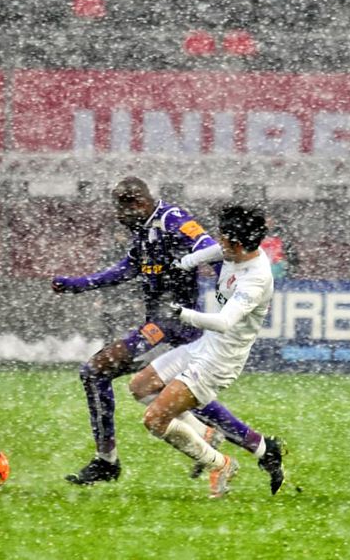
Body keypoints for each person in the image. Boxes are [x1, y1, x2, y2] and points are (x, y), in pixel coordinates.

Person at [52, 177, 269, 485]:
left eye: (120, 208)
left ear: (138, 204)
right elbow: (128, 268)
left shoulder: (173, 220)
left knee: (97, 371)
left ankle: (107, 461)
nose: (118, 215)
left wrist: (232, 292)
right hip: (162, 324)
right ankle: (245, 443)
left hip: (171, 326)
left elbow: (211, 248)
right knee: (177, 395)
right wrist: (79, 284)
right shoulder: (143, 233)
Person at [129, 204, 285, 498]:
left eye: (223, 238)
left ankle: (222, 464)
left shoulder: (256, 279)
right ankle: (218, 437)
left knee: (154, 420)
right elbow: (212, 252)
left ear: (238, 244)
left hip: (220, 360)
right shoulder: (234, 251)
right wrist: (182, 263)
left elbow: (224, 322)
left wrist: (180, 313)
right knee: (140, 386)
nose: (218, 241)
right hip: (205, 345)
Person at [260, 215, 298, 279]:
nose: (269, 223)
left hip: (277, 268)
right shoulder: (256, 235)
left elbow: (290, 253)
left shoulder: (282, 236)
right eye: (266, 222)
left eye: (271, 221)